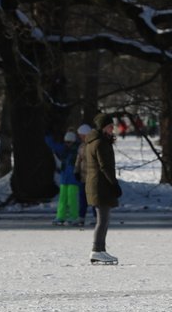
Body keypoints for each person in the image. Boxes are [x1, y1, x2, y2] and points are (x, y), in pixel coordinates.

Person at [83, 113, 122, 265]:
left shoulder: (95, 141)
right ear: (102, 127)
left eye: (113, 126)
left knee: (104, 219)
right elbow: (105, 166)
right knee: (103, 220)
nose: (113, 129)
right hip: (101, 185)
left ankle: (100, 250)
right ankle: (96, 250)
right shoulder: (100, 143)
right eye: (110, 126)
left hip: (98, 184)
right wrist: (114, 184)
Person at [45, 128, 82, 226]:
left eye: (69, 142)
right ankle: (60, 216)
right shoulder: (64, 150)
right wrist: (47, 136)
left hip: (73, 179)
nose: (67, 144)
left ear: (74, 141)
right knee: (62, 199)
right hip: (64, 179)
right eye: (66, 142)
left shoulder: (78, 150)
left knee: (72, 199)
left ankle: (73, 216)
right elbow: (53, 145)